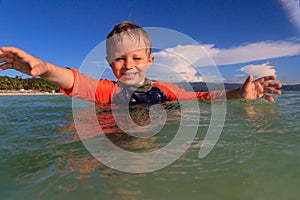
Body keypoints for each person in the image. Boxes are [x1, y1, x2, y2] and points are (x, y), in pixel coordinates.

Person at [0, 22, 282, 104]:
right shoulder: (107, 91)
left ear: (149, 61)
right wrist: (43, 68)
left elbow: (203, 97)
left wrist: (238, 94)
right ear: (110, 64)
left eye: (136, 58)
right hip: (111, 143)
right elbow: (74, 80)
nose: (129, 65)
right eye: (120, 60)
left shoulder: (165, 90)